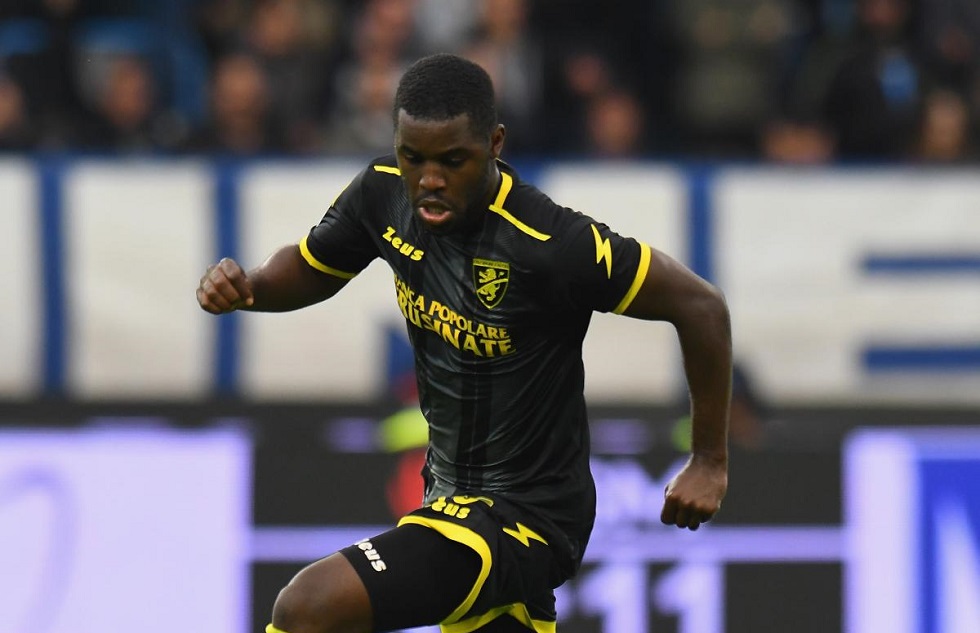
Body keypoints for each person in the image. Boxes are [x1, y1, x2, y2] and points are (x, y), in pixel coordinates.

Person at [197, 53, 731, 633]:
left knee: (308, 606)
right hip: (447, 498)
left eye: (453, 160)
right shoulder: (382, 194)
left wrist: (708, 459)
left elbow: (700, 305)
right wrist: (251, 287)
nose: (430, 179)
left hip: (528, 517)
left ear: (495, 143)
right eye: (413, 157)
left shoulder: (549, 242)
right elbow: (311, 266)